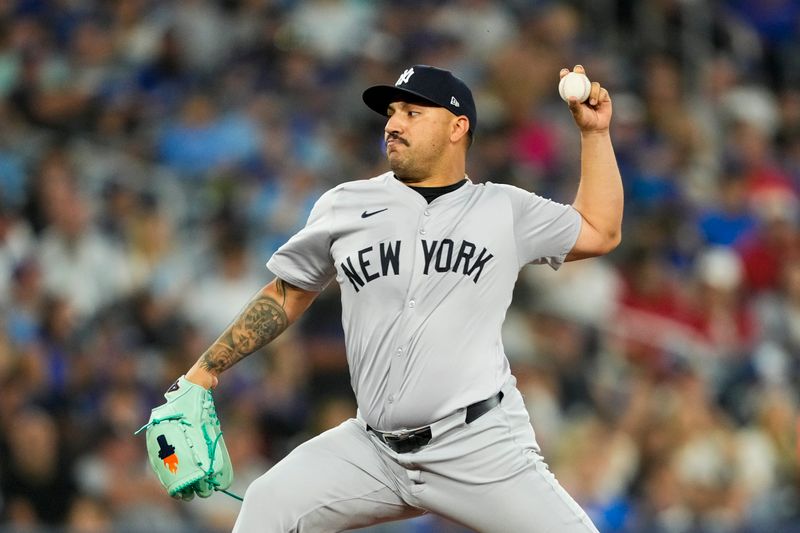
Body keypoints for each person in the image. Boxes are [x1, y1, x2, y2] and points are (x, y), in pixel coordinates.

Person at [182, 64, 622, 532]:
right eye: (391, 113)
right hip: (372, 449)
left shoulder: (503, 209)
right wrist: (205, 369)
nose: (393, 124)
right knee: (269, 504)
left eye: (412, 112)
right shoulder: (344, 204)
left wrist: (595, 135)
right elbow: (287, 291)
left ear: (458, 127)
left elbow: (599, 230)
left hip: (476, 444)